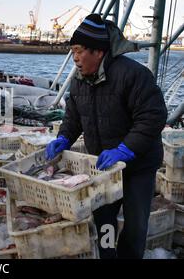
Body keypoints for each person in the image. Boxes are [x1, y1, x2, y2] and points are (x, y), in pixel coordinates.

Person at [45, 14, 168, 259]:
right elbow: (73, 118)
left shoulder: (133, 75)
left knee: (135, 224)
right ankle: (108, 256)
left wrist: (125, 149)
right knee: (104, 218)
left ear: (98, 52)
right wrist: (64, 138)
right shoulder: (79, 81)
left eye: (79, 51)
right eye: (73, 51)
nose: (75, 58)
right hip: (102, 165)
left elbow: (153, 117)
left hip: (138, 164)